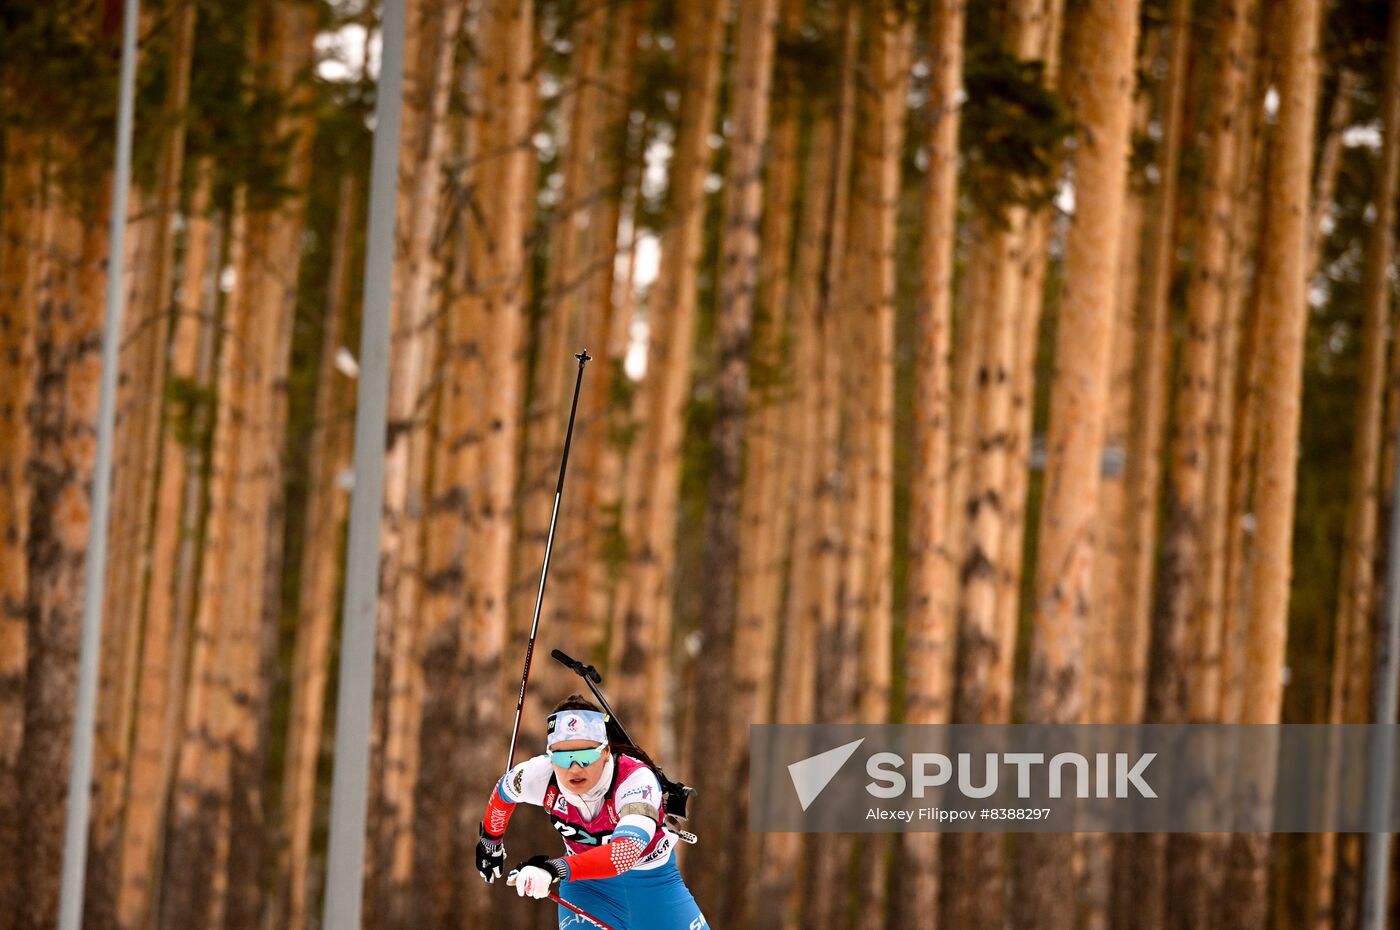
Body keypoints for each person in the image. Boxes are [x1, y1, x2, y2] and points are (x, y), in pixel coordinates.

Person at [475, 695, 708, 929]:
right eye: (562, 757)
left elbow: (624, 854)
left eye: (586, 756)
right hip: (587, 889)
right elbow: (503, 793)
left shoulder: (635, 780)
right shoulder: (539, 775)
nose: (574, 768)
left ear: (605, 751)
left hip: (654, 886)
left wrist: (553, 868)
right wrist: (490, 842)